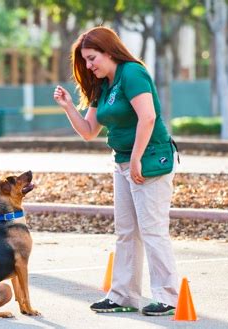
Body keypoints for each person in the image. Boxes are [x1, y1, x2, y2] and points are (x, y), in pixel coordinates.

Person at [53, 26, 179, 316]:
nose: (88, 65)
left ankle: (168, 296)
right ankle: (123, 295)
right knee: (126, 232)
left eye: (92, 57)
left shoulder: (132, 73)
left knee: (152, 230)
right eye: (84, 60)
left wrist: (135, 159)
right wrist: (68, 106)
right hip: (123, 160)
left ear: (109, 52)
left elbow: (148, 118)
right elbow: (88, 131)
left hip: (149, 160)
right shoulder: (103, 84)